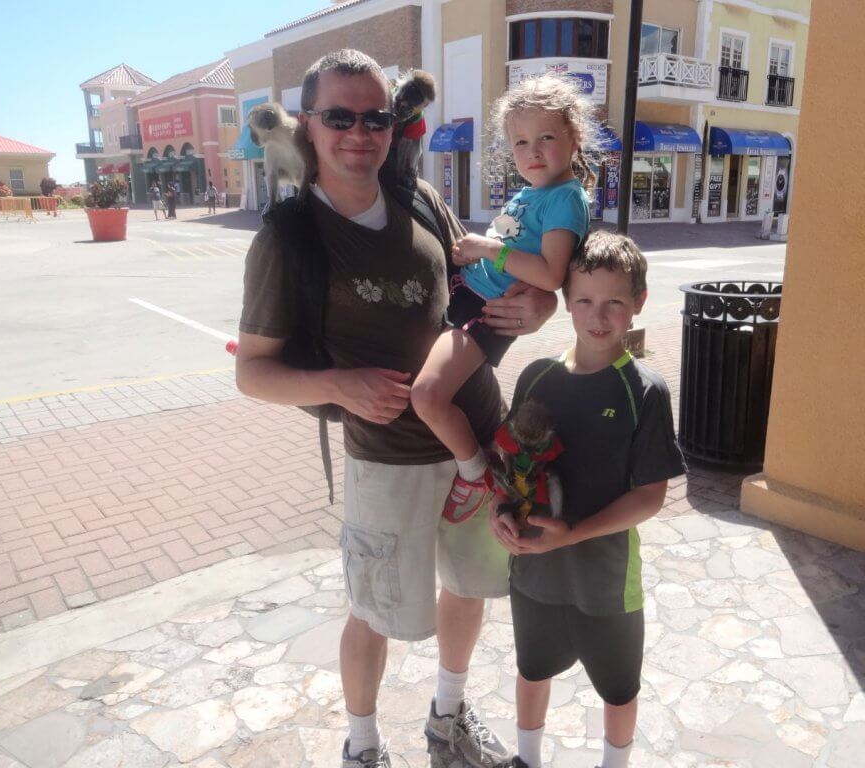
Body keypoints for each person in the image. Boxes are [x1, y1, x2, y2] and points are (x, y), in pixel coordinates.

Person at [235, 49, 556, 768]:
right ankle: (364, 745)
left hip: (477, 437)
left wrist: (533, 306)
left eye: (375, 116)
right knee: (373, 610)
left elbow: (484, 286)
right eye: (339, 116)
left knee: (470, 587)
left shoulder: (419, 199)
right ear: (308, 126)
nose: (360, 132)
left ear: (394, 122)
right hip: (386, 459)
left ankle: (447, 717)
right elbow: (253, 373)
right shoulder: (288, 238)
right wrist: (338, 386)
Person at [490, 231, 687, 768]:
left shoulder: (645, 390)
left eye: (613, 303)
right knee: (532, 668)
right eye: (583, 301)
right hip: (534, 572)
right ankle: (526, 759)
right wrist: (500, 511)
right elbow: (510, 469)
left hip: (605, 576)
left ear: (638, 304)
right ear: (566, 302)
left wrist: (575, 533)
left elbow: (650, 496)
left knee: (618, 688)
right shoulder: (537, 376)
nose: (597, 317)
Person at [411, 74, 594, 525]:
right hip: (471, 293)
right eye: (520, 142)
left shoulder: (565, 200)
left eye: (546, 138)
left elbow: (551, 274)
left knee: (428, 395)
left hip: (486, 311)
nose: (532, 152)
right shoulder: (536, 192)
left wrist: (489, 249)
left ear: (575, 138)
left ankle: (474, 471)